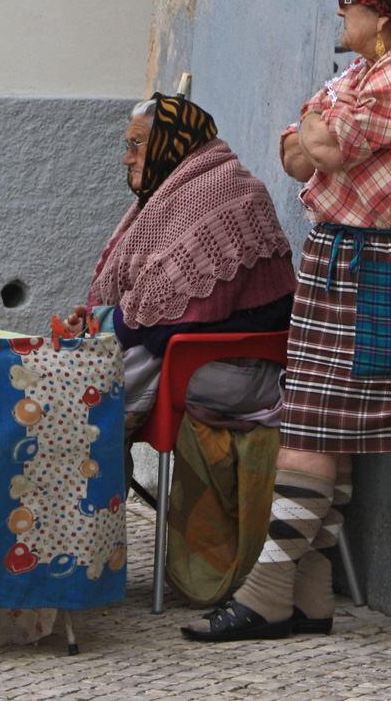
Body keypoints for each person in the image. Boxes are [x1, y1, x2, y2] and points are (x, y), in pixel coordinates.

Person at [182, 0, 391, 642]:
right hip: (356, 259)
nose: (339, 13)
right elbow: (293, 146)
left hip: (385, 265)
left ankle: (269, 589)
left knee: (312, 425)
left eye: (350, 4)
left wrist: (320, 130)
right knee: (325, 426)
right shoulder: (368, 71)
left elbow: (329, 143)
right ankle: (309, 593)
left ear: (384, 16)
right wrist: (316, 130)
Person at [64, 93, 297, 495]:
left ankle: (86, 534)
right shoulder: (177, 193)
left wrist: (101, 328)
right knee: (89, 381)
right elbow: (157, 310)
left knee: (88, 396)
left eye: (137, 144)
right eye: (128, 145)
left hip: (248, 371)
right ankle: (88, 530)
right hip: (202, 359)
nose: (127, 158)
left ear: (172, 140)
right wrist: (97, 327)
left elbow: (162, 324)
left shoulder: (218, 191)